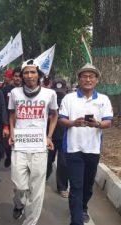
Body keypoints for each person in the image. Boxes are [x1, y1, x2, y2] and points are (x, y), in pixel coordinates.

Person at [58, 63, 113, 225]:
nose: (88, 79)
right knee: (76, 186)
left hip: (93, 149)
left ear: (97, 80)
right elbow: (62, 119)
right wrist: (74, 123)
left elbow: (108, 122)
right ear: (79, 79)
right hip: (73, 148)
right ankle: (76, 221)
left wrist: (97, 124)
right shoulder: (69, 98)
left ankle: (82, 208)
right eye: (84, 76)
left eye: (91, 76)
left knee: (87, 186)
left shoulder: (103, 99)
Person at [8, 59, 58, 225]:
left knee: (36, 189)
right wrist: (12, 132)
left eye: (33, 72)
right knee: (19, 185)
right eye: (26, 72)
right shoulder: (15, 93)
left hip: (39, 146)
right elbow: (12, 114)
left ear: (39, 74)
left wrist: (49, 136)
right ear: (22, 75)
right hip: (20, 145)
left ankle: (30, 222)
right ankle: (19, 203)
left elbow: (54, 115)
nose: (29, 75)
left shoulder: (49, 94)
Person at [46, 79, 69, 198]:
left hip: (66, 137)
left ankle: (62, 187)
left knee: (63, 164)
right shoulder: (48, 100)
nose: (59, 94)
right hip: (51, 137)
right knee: (47, 161)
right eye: (56, 91)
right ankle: (43, 179)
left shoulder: (70, 101)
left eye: (61, 91)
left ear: (66, 90)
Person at [2, 68, 19, 167]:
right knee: (7, 143)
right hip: (9, 119)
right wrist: (5, 124)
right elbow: (3, 106)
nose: (18, 78)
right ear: (12, 77)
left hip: (22, 121)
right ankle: (8, 156)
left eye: (19, 76)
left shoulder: (26, 89)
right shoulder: (6, 89)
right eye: (16, 76)